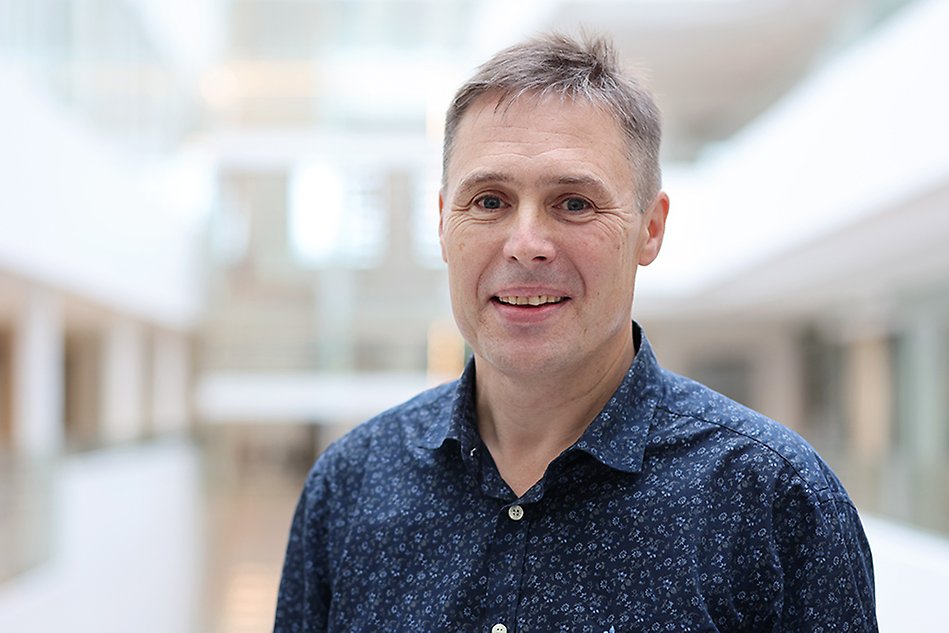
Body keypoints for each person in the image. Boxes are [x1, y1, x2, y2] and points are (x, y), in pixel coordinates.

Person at [274, 33, 877, 632]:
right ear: (441, 223)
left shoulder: (774, 502)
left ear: (650, 228)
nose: (527, 245)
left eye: (574, 203)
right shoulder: (350, 486)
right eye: (489, 201)